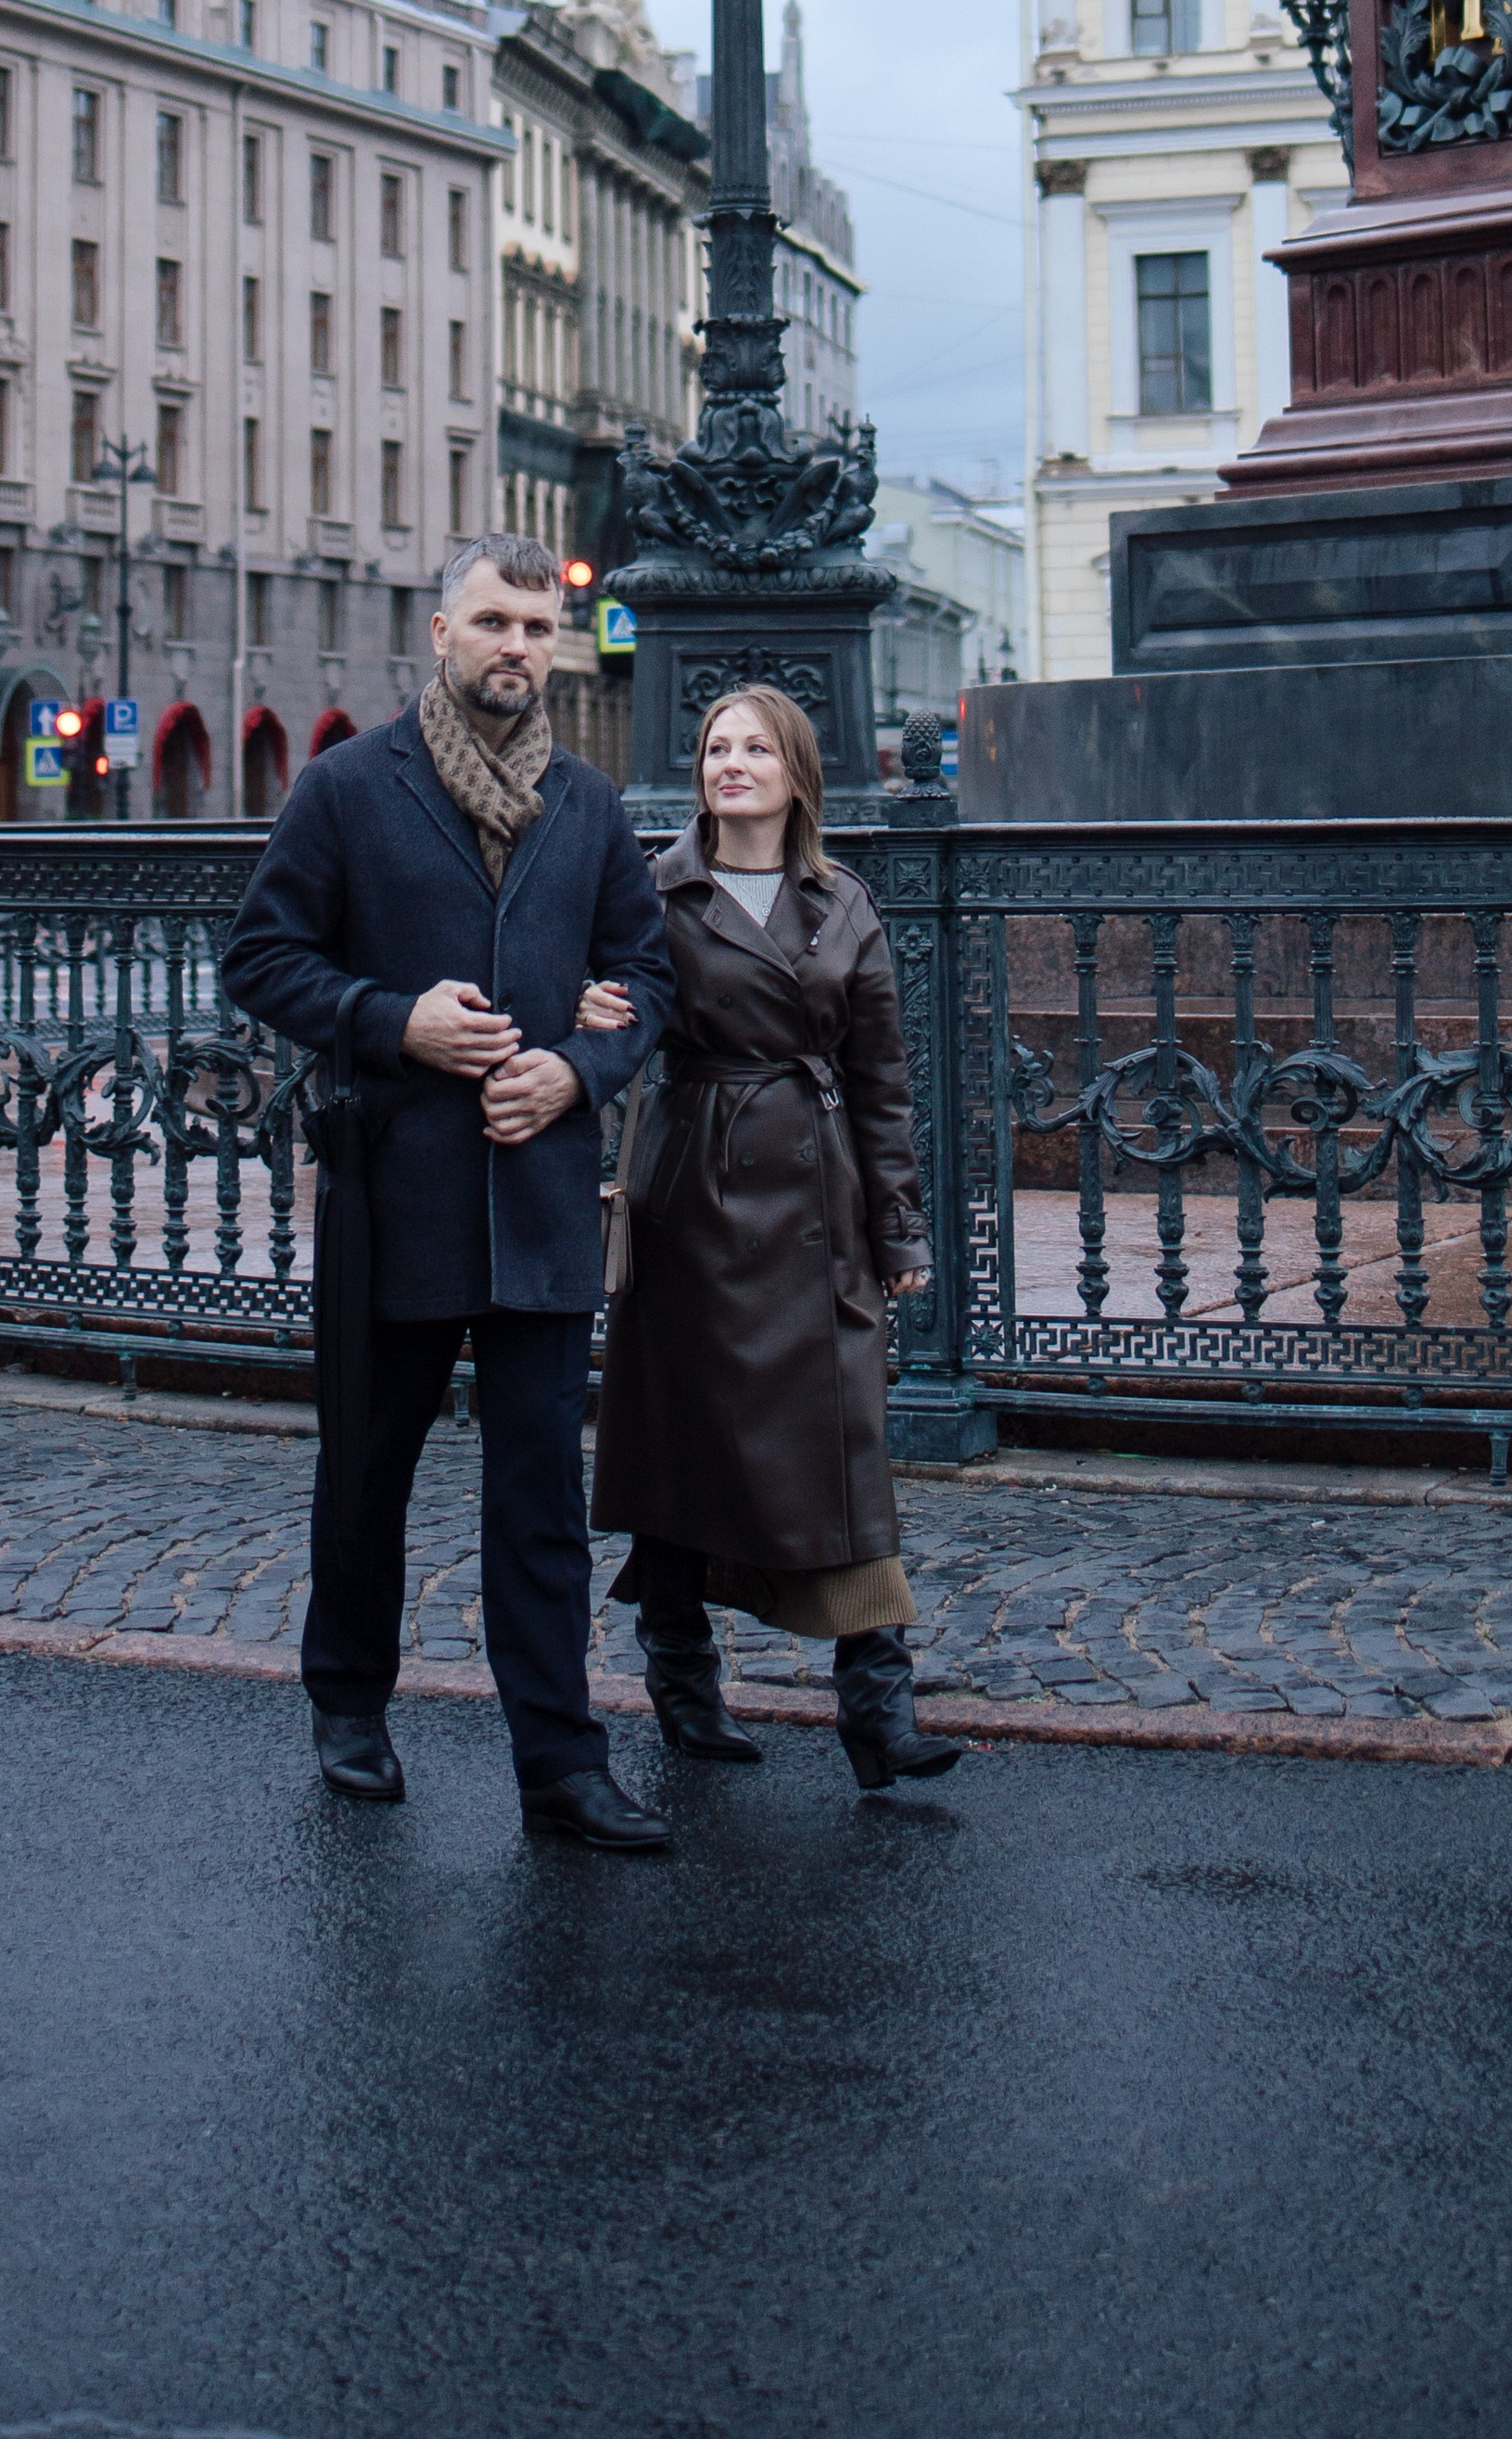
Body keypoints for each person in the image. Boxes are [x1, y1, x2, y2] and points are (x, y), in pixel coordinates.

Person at [220, 531, 675, 1851]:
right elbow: (260, 955)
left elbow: (646, 978)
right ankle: (350, 1704)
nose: (518, 650)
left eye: (538, 630)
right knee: (366, 1474)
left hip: (538, 1196)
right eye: (494, 624)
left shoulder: (585, 806)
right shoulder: (350, 787)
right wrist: (389, 1020)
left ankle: (561, 1766)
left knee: (540, 1499)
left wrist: (579, 1073)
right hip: (393, 1193)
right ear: (440, 634)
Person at [580, 689, 961, 1794]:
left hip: (819, 1191)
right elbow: (604, 1008)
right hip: (694, 1187)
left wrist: (898, 1224)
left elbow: (882, 1080)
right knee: (681, 1443)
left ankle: (877, 1708)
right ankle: (682, 1685)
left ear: (797, 771)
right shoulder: (651, 892)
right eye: (713, 747)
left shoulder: (842, 900)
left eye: (754, 748)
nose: (730, 764)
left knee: (846, 1443)